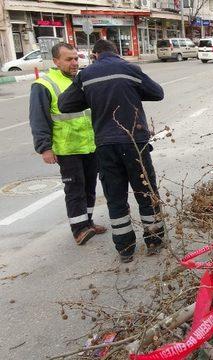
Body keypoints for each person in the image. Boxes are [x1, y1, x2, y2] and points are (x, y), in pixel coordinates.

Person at [58, 39, 165, 263]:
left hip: (106, 146)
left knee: (115, 197)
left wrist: (92, 96)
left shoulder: (86, 75)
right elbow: (158, 93)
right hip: (135, 142)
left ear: (95, 55)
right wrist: (130, 91)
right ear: (116, 53)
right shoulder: (130, 69)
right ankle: (154, 241)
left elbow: (65, 104)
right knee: (145, 191)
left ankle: (125, 249)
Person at [29, 42, 107, 245]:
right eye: (68, 59)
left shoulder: (82, 79)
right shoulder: (44, 84)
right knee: (75, 189)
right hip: (67, 147)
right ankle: (79, 229)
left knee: (90, 186)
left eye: (76, 58)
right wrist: (45, 147)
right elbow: (39, 118)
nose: (74, 63)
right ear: (56, 61)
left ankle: (88, 222)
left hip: (90, 145)